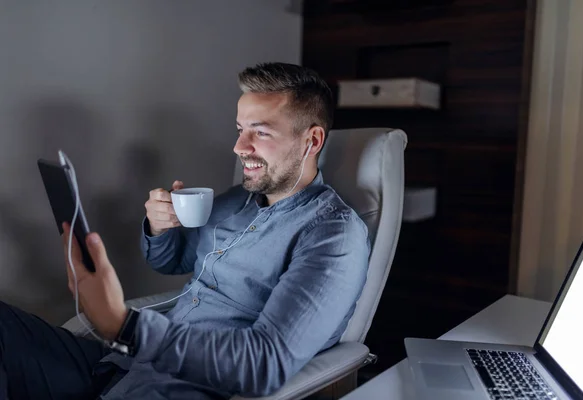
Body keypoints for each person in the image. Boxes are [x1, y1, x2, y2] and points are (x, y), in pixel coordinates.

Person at [0, 62, 370, 400]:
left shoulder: (333, 236)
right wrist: (160, 228)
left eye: (261, 132)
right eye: (241, 130)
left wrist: (125, 327)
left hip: (177, 386)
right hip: (120, 365)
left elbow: (264, 364)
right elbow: (171, 260)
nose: (239, 147)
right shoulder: (234, 201)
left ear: (313, 140)